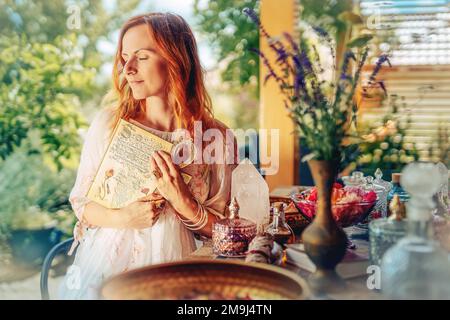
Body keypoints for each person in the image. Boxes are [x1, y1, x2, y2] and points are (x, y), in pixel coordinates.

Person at [59, 12, 237, 299]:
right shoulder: (110, 124)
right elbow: (81, 202)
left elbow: (226, 233)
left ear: (176, 60)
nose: (127, 68)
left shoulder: (217, 139)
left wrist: (183, 201)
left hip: (180, 268)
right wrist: (124, 218)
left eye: (141, 57)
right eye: (125, 57)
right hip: (108, 267)